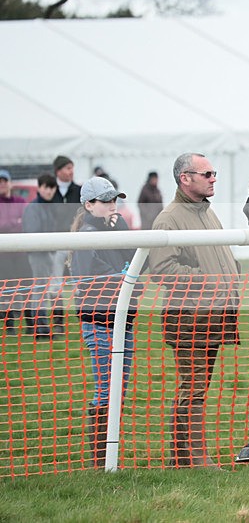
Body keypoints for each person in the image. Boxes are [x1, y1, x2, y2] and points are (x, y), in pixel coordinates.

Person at [149, 153, 241, 468]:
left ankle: (181, 458)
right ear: (185, 178)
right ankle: (195, 456)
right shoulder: (169, 218)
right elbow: (161, 270)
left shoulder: (207, 213)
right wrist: (211, 282)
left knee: (198, 386)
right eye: (207, 173)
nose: (214, 178)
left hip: (212, 316)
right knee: (194, 386)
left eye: (214, 172)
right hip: (189, 318)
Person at [68, 177, 140, 468]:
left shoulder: (114, 228)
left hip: (122, 322)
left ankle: (108, 457)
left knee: (117, 390)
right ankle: (102, 460)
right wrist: (125, 278)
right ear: (89, 205)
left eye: (115, 200)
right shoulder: (86, 235)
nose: (113, 206)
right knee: (106, 390)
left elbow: (137, 262)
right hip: (98, 323)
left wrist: (122, 230)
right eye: (106, 201)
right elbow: (94, 278)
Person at [21, 173, 59, 338]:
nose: (49, 191)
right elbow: (32, 232)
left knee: (43, 290)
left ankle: (41, 327)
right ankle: (40, 328)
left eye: (52, 187)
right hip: (38, 254)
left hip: (47, 253)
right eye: (46, 187)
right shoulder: (33, 207)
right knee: (40, 291)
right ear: (40, 188)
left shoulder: (48, 207)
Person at [51, 155, 83, 334]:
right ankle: (58, 320)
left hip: (75, 243)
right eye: (67, 168)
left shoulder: (79, 191)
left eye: (72, 167)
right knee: (55, 285)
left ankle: (84, 317)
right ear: (58, 171)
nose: (71, 171)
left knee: (79, 283)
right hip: (56, 244)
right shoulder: (50, 192)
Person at [0, 169, 31, 335]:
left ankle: (30, 324)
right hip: (2, 256)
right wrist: (14, 222)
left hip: (20, 254)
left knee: (26, 289)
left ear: (9, 183)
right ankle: (9, 325)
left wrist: (9, 224)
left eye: (5, 181)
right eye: (0, 182)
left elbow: (25, 222)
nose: (3, 184)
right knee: (6, 291)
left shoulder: (20, 201)